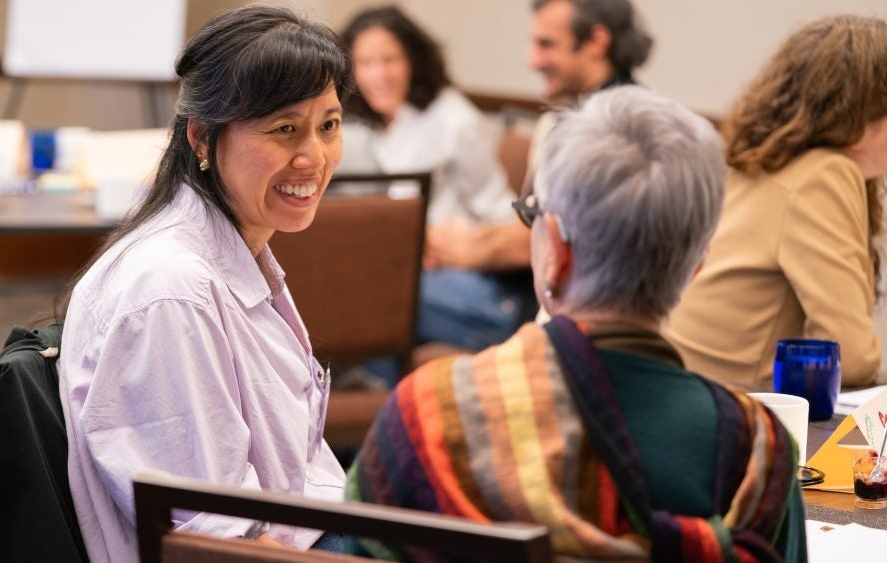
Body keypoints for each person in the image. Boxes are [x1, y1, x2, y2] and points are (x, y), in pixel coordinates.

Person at [345, 87, 805, 561]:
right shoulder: (758, 453)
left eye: (532, 218)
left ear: (557, 254)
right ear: (695, 268)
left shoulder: (428, 417)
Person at [55, 6, 352, 560]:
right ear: (201, 138)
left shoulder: (235, 249)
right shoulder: (169, 289)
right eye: (285, 129)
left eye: (328, 126)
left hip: (302, 528)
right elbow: (217, 540)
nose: (314, 157)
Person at [666, 15, 887, 389]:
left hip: (684, 386)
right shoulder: (823, 175)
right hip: (733, 409)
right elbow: (849, 359)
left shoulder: (755, 159)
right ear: (864, 112)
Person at [340, 6, 524, 354]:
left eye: (389, 60)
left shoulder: (454, 120)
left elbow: (500, 210)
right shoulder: (369, 126)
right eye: (365, 63)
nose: (377, 74)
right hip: (404, 270)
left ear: (412, 59)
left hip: (462, 280)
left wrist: (460, 244)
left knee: (351, 295)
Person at [425, 0, 653, 275]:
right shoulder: (624, 111)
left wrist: (465, 249)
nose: (532, 61)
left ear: (596, 41)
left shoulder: (613, 132)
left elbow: (541, 239)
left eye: (546, 44)